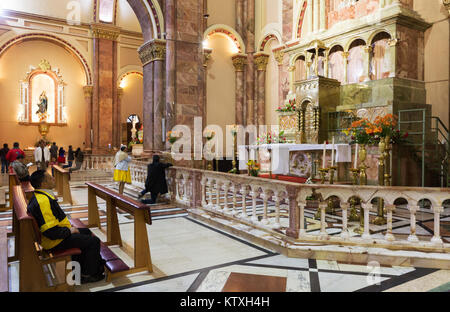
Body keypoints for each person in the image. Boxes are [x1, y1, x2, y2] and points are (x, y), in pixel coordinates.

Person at [27, 170, 105, 284]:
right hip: (53, 241)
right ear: (43, 184)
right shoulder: (43, 201)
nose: (53, 178)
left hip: (56, 236)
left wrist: (70, 230)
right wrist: (69, 231)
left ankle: (79, 270)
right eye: (50, 177)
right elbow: (50, 232)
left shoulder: (41, 196)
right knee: (93, 241)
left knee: (86, 232)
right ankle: (89, 274)